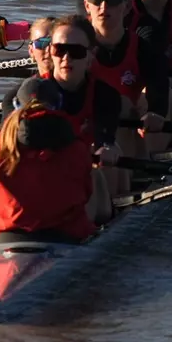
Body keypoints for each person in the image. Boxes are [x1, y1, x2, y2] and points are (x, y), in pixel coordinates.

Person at [9, 14, 121, 222]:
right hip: (42, 180)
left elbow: (106, 135)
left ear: (90, 55)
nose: (66, 58)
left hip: (83, 177)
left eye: (76, 52)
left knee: (99, 168)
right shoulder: (20, 95)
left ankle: (95, 223)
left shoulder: (106, 95)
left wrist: (107, 146)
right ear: (51, 52)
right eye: (60, 50)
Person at [0, 86, 96, 244]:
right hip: (64, 236)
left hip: (4, 238)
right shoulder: (76, 147)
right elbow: (85, 192)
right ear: (58, 106)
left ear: (16, 106)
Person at [83, 0, 172, 175]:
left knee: (123, 105)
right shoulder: (73, 48)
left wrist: (155, 112)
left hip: (125, 129)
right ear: (87, 5)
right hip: (87, 128)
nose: (104, 7)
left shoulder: (142, 48)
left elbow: (159, 84)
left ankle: (147, 170)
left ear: (126, 6)